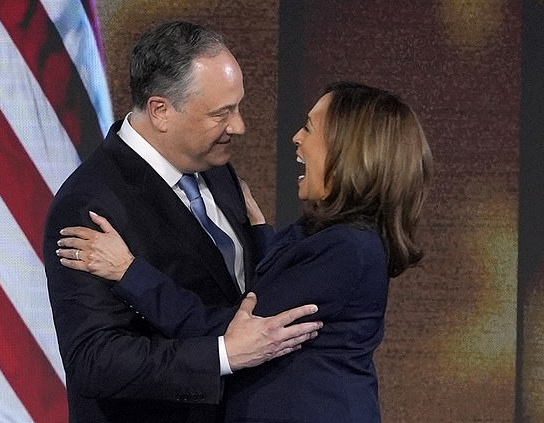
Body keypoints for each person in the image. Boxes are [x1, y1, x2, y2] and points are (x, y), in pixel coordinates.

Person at [56, 81, 434, 422]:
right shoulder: (332, 236)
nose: (296, 138)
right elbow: (279, 289)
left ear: (350, 153)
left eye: (310, 128)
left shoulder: (349, 249)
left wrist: (128, 272)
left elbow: (236, 331)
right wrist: (259, 235)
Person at [43, 21, 323, 423]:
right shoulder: (88, 203)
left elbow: (240, 293)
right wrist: (223, 354)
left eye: (238, 107)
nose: (239, 126)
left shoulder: (213, 165)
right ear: (161, 111)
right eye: (221, 113)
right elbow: (95, 360)